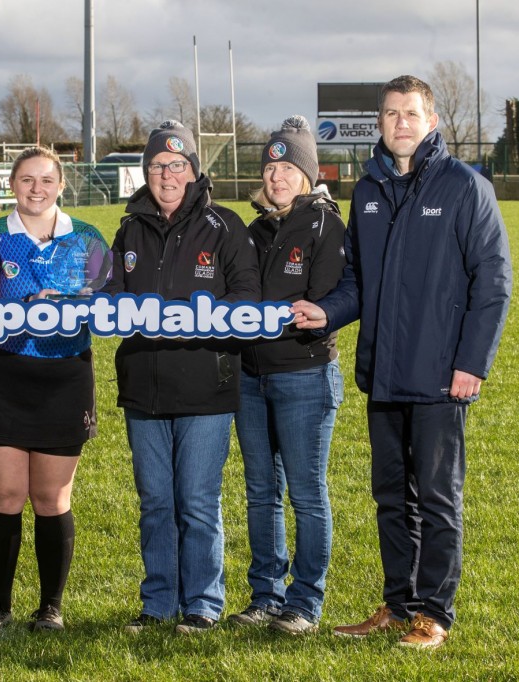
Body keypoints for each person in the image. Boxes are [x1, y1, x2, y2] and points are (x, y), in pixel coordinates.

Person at [293, 75, 512, 649]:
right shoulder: (368, 190)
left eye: (411, 114)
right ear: (381, 123)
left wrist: (472, 363)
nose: (401, 124)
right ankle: (398, 604)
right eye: (391, 114)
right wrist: (326, 312)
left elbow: (494, 283)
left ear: (431, 121)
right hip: (384, 375)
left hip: (442, 377)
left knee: (438, 497)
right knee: (392, 496)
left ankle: (434, 614)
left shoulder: (465, 188)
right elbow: (358, 281)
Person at [103, 120, 261, 635]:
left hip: (205, 388)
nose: (166, 175)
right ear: (145, 173)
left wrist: (199, 316)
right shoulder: (129, 229)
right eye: (156, 167)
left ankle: (202, 603)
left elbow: (247, 301)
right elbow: (110, 298)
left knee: (196, 502)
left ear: (193, 171)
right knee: (156, 503)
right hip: (143, 387)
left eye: (176, 166)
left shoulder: (225, 226)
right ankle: (159, 603)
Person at [0, 146, 109, 633]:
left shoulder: (88, 238)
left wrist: (68, 301)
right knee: (4, 495)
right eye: (26, 180)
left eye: (46, 180)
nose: (36, 188)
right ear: (11, 185)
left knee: (51, 498)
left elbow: (104, 299)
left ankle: (51, 607)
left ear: (61, 185)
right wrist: (28, 305)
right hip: (2, 374)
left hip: (64, 374)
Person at [229, 116, 346, 635]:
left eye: (288, 168)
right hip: (251, 376)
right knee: (260, 491)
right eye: (271, 168)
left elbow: (316, 300)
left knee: (306, 492)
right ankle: (265, 595)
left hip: (304, 375)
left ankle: (306, 601)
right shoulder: (252, 229)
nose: (277, 177)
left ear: (307, 173)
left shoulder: (325, 225)